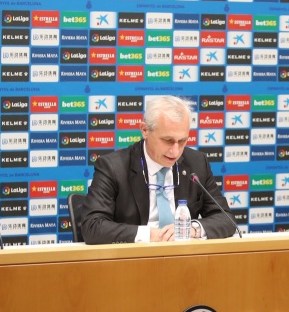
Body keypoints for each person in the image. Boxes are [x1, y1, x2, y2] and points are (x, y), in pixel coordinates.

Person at [81, 95, 235, 243]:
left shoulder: (197, 163)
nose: (175, 151)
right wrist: (149, 235)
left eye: (182, 141)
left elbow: (226, 219)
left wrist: (192, 229)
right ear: (145, 130)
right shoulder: (114, 167)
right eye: (168, 140)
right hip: (133, 256)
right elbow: (92, 226)